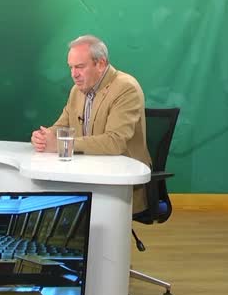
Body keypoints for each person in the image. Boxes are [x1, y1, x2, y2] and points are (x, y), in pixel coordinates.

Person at [31, 35, 151, 213]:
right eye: (71, 67)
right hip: (87, 176)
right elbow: (61, 127)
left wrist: (62, 144)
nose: (74, 74)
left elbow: (114, 142)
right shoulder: (77, 90)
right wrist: (44, 137)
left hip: (118, 185)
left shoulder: (126, 88)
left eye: (80, 67)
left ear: (100, 64)